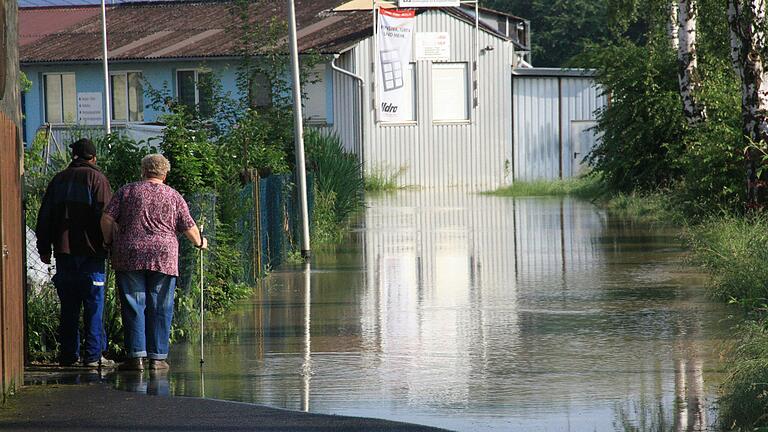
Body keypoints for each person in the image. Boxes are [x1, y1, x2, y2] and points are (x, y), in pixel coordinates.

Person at [101, 154, 207, 371]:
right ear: (165, 174)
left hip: (129, 253)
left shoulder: (127, 191)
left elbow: (106, 219)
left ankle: (136, 357)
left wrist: (108, 240)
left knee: (133, 304)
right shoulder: (174, 196)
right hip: (164, 255)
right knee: (161, 306)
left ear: (143, 171)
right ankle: (157, 358)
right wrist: (200, 242)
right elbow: (189, 227)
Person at [35, 138, 114, 367]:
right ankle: (93, 355)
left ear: (74, 156)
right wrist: (109, 244)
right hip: (92, 254)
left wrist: (44, 248)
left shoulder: (58, 180)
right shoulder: (98, 179)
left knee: (68, 306)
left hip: (64, 252)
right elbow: (105, 216)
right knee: (94, 304)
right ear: (94, 158)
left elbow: (45, 216)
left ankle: (69, 355)